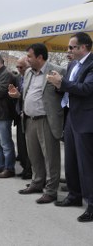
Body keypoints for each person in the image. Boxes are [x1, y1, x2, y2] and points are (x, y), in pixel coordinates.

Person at [47, 32, 93, 222]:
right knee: (71, 160)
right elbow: (69, 88)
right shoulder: (72, 64)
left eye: (72, 47)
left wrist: (62, 82)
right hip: (71, 115)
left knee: (87, 164)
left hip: (86, 118)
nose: (69, 51)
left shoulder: (91, 65)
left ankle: (91, 204)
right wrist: (59, 85)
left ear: (83, 47)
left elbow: (87, 89)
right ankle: (74, 195)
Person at [15, 43, 65, 204]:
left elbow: (65, 95)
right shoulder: (29, 72)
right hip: (29, 119)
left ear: (40, 57)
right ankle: (37, 183)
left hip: (47, 120)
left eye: (29, 56)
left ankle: (51, 191)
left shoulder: (57, 71)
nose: (27, 60)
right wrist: (18, 95)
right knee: (34, 155)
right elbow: (28, 92)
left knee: (51, 158)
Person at [8, 57, 32, 180]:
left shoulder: (32, 77)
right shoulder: (17, 78)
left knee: (30, 147)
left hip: (29, 115)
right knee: (21, 145)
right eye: (17, 67)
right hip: (19, 115)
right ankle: (24, 168)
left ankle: (30, 170)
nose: (19, 69)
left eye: (21, 67)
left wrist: (19, 95)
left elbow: (31, 95)